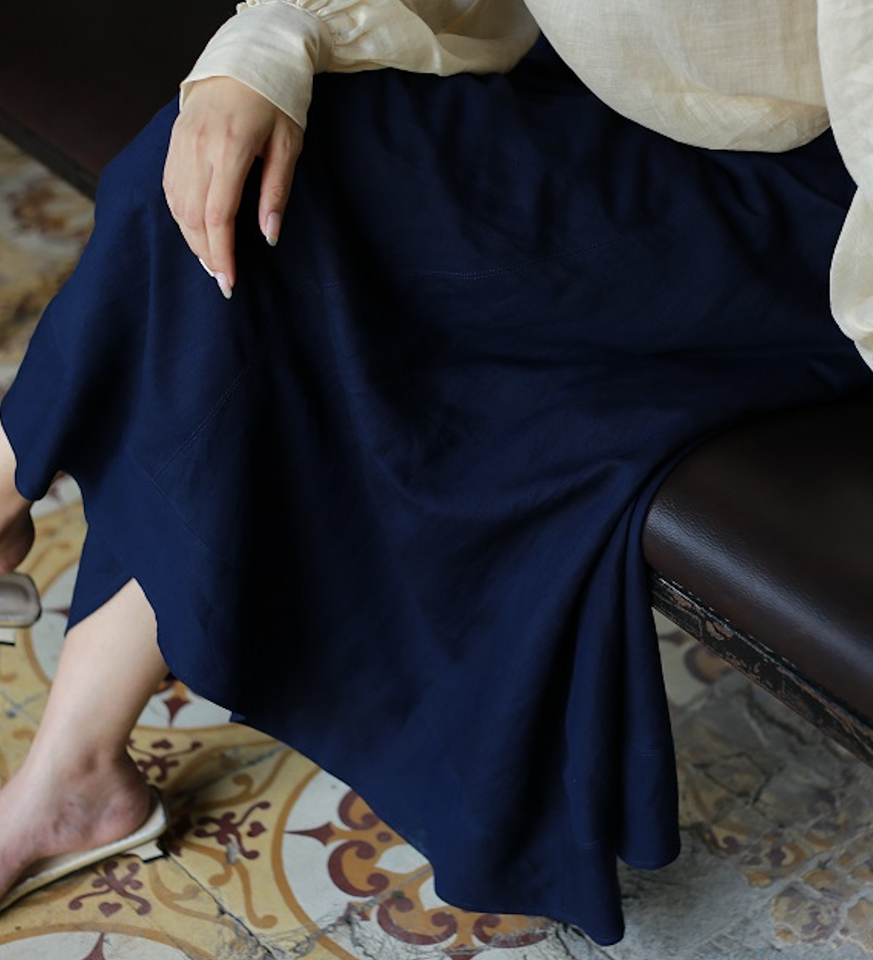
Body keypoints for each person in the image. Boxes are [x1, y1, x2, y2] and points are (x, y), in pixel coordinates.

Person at [0, 0, 871, 945]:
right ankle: (71, 771)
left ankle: (26, 571)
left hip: (810, 207)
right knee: (237, 153)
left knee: (280, 211)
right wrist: (264, 47)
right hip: (594, 107)